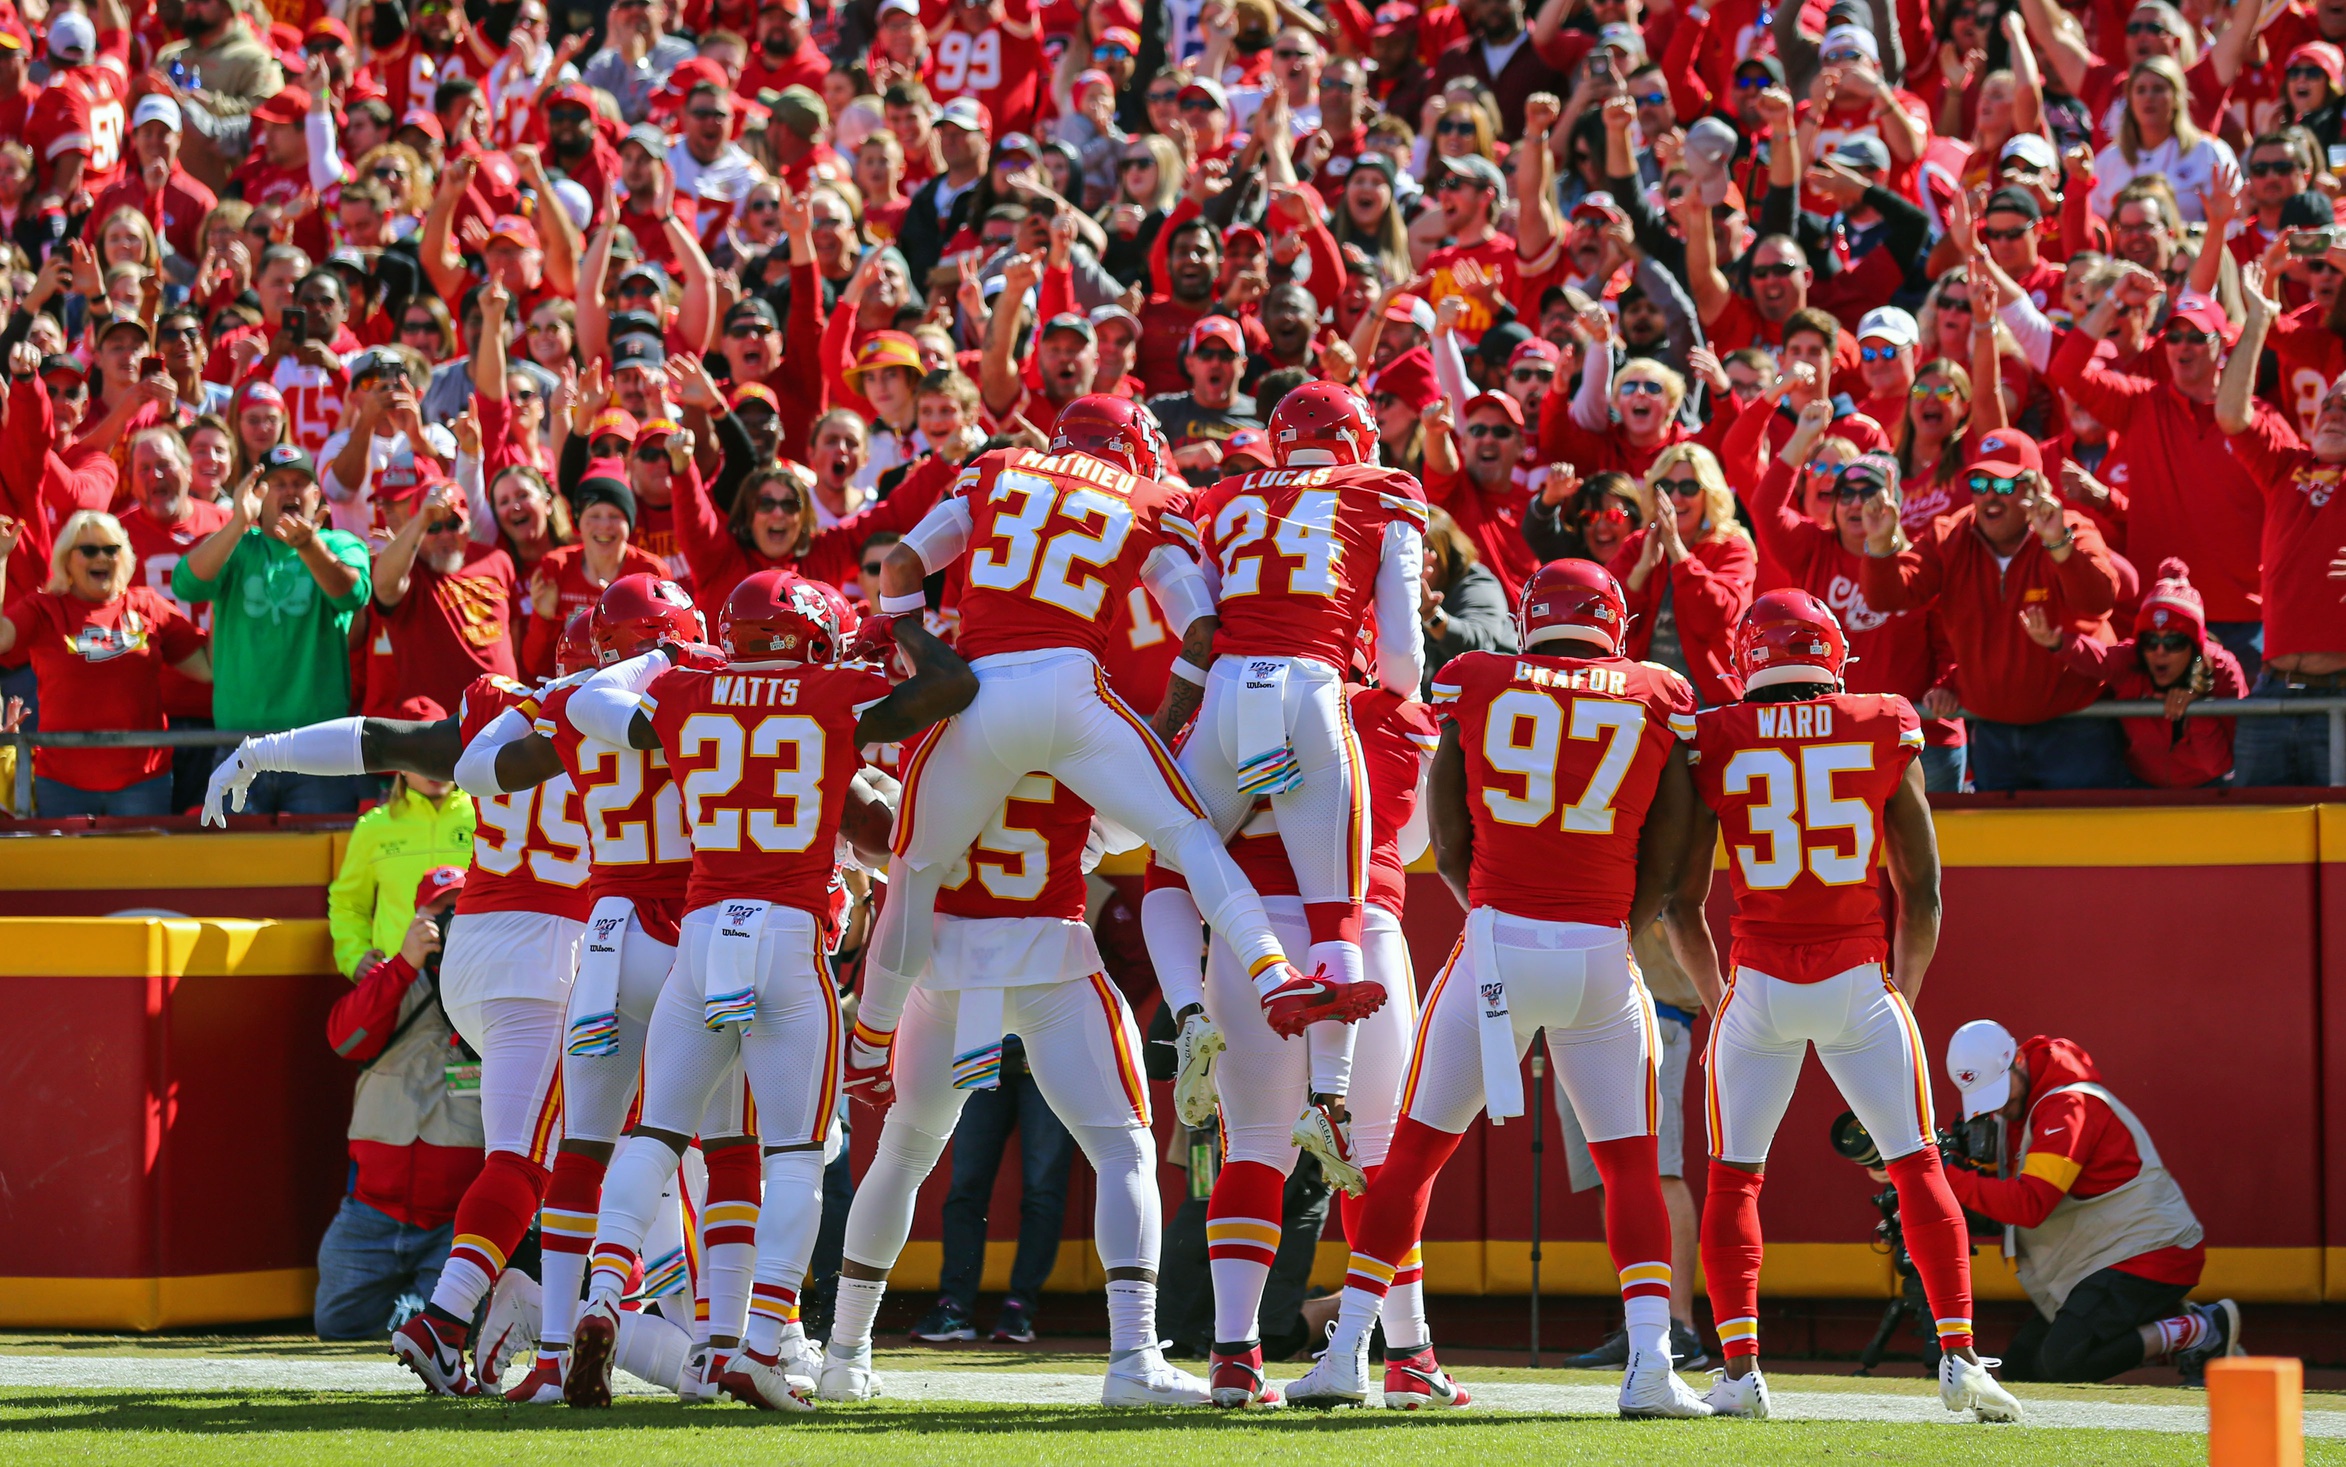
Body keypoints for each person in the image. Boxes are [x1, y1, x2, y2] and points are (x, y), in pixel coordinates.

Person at [1290, 559, 1706, 1417]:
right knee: (1630, 1164)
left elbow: (1445, 841)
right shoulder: (1654, 690)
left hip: (1495, 943)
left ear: (1530, 616)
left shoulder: (1476, 678)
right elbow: (1667, 858)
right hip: (1598, 949)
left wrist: (1499, 913)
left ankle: (1348, 1352)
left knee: (1413, 1153)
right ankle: (1652, 1365)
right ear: (1613, 623)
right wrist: (1609, 928)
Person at [553, 570, 974, 1410]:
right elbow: (953, 687)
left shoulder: (686, 685)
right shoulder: (832, 686)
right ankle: (759, 1342)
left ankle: (600, 1296)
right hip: (785, 931)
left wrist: (661, 657)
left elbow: (588, 706)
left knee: (656, 1134)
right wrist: (898, 630)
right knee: (792, 1154)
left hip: (701, 932)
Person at [1662, 590, 2024, 1423]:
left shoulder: (1712, 736)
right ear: (1832, 652)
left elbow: (1680, 904)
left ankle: (1742, 1370)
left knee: (1734, 1179)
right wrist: (1904, 987)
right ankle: (1960, 1356)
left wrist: (1722, 1000)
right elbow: (1922, 890)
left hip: (1757, 983)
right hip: (1859, 976)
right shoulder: (1883, 720)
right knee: (1916, 1164)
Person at [453, 575, 767, 1404]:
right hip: (697, 930)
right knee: (724, 1145)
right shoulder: (709, 682)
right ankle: (724, 1347)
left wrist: (540, 701)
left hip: (603, 933)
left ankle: (556, 1352)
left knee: (582, 1150)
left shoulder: (573, 698)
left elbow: (474, 771)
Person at [1173, 381, 1425, 1195]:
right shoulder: (1383, 489)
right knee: (1336, 903)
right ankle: (1331, 1097)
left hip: (1223, 696)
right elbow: (1406, 660)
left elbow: (1200, 622)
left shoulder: (1230, 492)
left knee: (1170, 866)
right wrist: (1389, 697)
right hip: (1314, 688)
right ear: (1358, 436)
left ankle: (1184, 1014)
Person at [1942, 1021, 2238, 1383]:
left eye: (2000, 1092)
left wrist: (1943, 1176)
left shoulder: (2069, 1105)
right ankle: (2164, 1321)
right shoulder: (2027, 1107)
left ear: (2018, 1060)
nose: (1999, 1109)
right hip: (2105, 1258)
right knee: (2023, 1370)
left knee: (2064, 1362)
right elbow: (2006, 1201)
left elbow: (2030, 1205)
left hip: (2151, 1254)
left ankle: (2202, 1330)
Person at [1860, 430, 2129, 791]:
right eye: (1979, 484)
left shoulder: (2073, 530)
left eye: (2003, 486)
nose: (1989, 497)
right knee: (2004, 848)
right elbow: (1890, 597)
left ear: (2035, 489)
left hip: (2075, 730)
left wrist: (2057, 544)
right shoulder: (1951, 534)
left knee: (2081, 845)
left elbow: (2099, 601)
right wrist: (1879, 546)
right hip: (1992, 736)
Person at [315, 865, 485, 1341]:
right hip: (371, 1212)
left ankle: (415, 1313)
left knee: (460, 1331)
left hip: (458, 1221)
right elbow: (344, 1040)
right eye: (439, 910)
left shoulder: (493, 988)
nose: (450, 920)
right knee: (336, 1324)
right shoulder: (390, 978)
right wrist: (406, 964)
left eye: (460, 910)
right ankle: (407, 1312)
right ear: (416, 916)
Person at [172, 448, 372, 813]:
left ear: (316, 496)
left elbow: (352, 595)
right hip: (239, 746)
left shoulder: (339, 545)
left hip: (317, 745)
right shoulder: (237, 547)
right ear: (258, 495)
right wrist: (237, 523)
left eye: (299, 483)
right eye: (276, 484)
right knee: (238, 867)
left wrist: (309, 546)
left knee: (318, 867)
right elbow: (186, 585)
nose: (289, 492)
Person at [2213, 263, 2346, 786]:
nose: (2332, 413)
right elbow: (2231, 413)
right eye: (2329, 404)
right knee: (2257, 846)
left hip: (2342, 697)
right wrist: (2259, 321)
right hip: (2271, 692)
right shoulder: (2287, 465)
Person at [0, 509, 210, 817]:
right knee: (66, 868)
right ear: (67, 560)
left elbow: (207, 669)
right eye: (88, 550)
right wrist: (2, 559)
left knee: (140, 868)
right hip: (62, 785)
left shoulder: (148, 605)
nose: (102, 557)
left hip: (143, 783)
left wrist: (220, 593)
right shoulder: (44, 609)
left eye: (111, 549)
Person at [902, 1034, 1077, 1346]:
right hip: (981, 1052)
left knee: (1042, 1190)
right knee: (966, 1187)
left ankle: (1020, 1306)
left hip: (1047, 1053)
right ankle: (954, 1305)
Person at [2020, 558, 2247, 787]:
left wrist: (2197, 710)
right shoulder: (2131, 659)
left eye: (2174, 642)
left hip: (2210, 791)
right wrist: (2058, 642)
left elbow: (2219, 766)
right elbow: (2099, 658)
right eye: (2150, 641)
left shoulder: (2222, 669)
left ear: (2195, 646)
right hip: (2141, 786)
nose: (2159, 651)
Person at [1606, 445, 1756, 709]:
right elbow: (1610, 619)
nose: (1676, 497)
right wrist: (1641, 570)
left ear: (1709, 494)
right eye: (1666, 487)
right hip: (1642, 702)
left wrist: (1679, 554)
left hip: (1711, 704)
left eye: (1688, 488)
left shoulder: (1732, 547)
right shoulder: (1638, 545)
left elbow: (1715, 617)